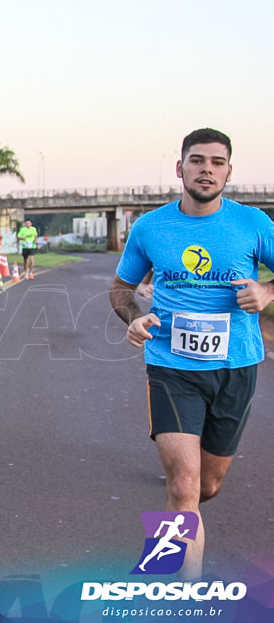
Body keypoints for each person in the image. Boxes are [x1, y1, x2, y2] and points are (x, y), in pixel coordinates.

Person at [109, 128, 274, 580]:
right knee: (183, 485)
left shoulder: (253, 224)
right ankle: (180, 595)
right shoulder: (151, 227)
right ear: (179, 168)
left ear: (228, 171)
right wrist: (134, 318)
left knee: (206, 485)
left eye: (217, 162)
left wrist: (267, 291)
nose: (207, 169)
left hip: (235, 366)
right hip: (170, 366)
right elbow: (122, 288)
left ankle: (166, 547)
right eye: (197, 160)